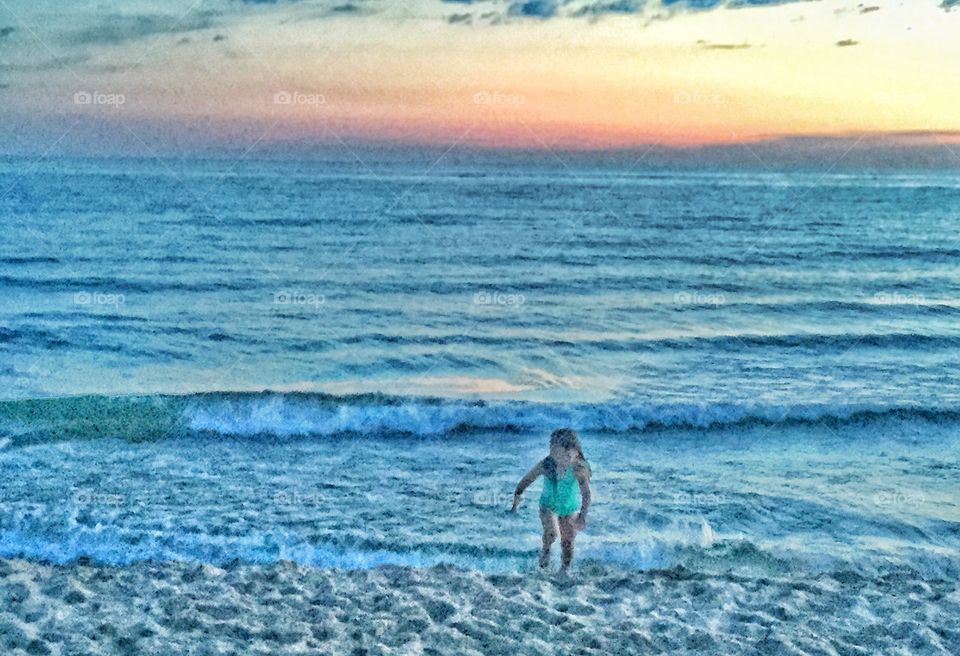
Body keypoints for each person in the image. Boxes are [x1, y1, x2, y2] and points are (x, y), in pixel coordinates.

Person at [511, 428, 592, 570]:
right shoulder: (546, 465)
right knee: (552, 533)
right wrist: (516, 502)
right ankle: (545, 552)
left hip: (569, 508)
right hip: (548, 506)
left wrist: (582, 516)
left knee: (568, 542)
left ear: (576, 452)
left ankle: (564, 571)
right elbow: (525, 481)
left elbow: (587, 494)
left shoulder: (579, 469)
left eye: (567, 455)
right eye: (557, 454)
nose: (562, 459)